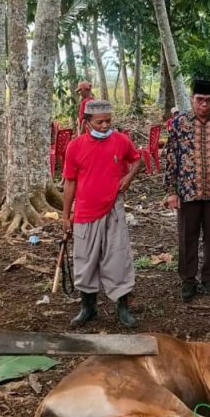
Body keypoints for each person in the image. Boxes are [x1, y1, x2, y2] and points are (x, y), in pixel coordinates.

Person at [62, 99, 141, 328]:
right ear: (87, 122)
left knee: (118, 256)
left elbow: (136, 159)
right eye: (100, 122)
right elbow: (69, 183)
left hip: (113, 208)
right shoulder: (75, 147)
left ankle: (122, 306)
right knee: (85, 259)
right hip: (85, 211)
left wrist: (127, 178)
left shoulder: (121, 141)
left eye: (108, 121)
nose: (105, 126)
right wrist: (66, 216)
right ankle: (88, 307)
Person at [163, 79, 210, 301]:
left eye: (208, 100)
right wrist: (171, 191)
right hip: (188, 191)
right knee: (187, 237)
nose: (204, 105)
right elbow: (171, 159)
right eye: (199, 100)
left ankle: (209, 278)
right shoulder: (179, 124)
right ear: (192, 99)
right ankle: (188, 280)